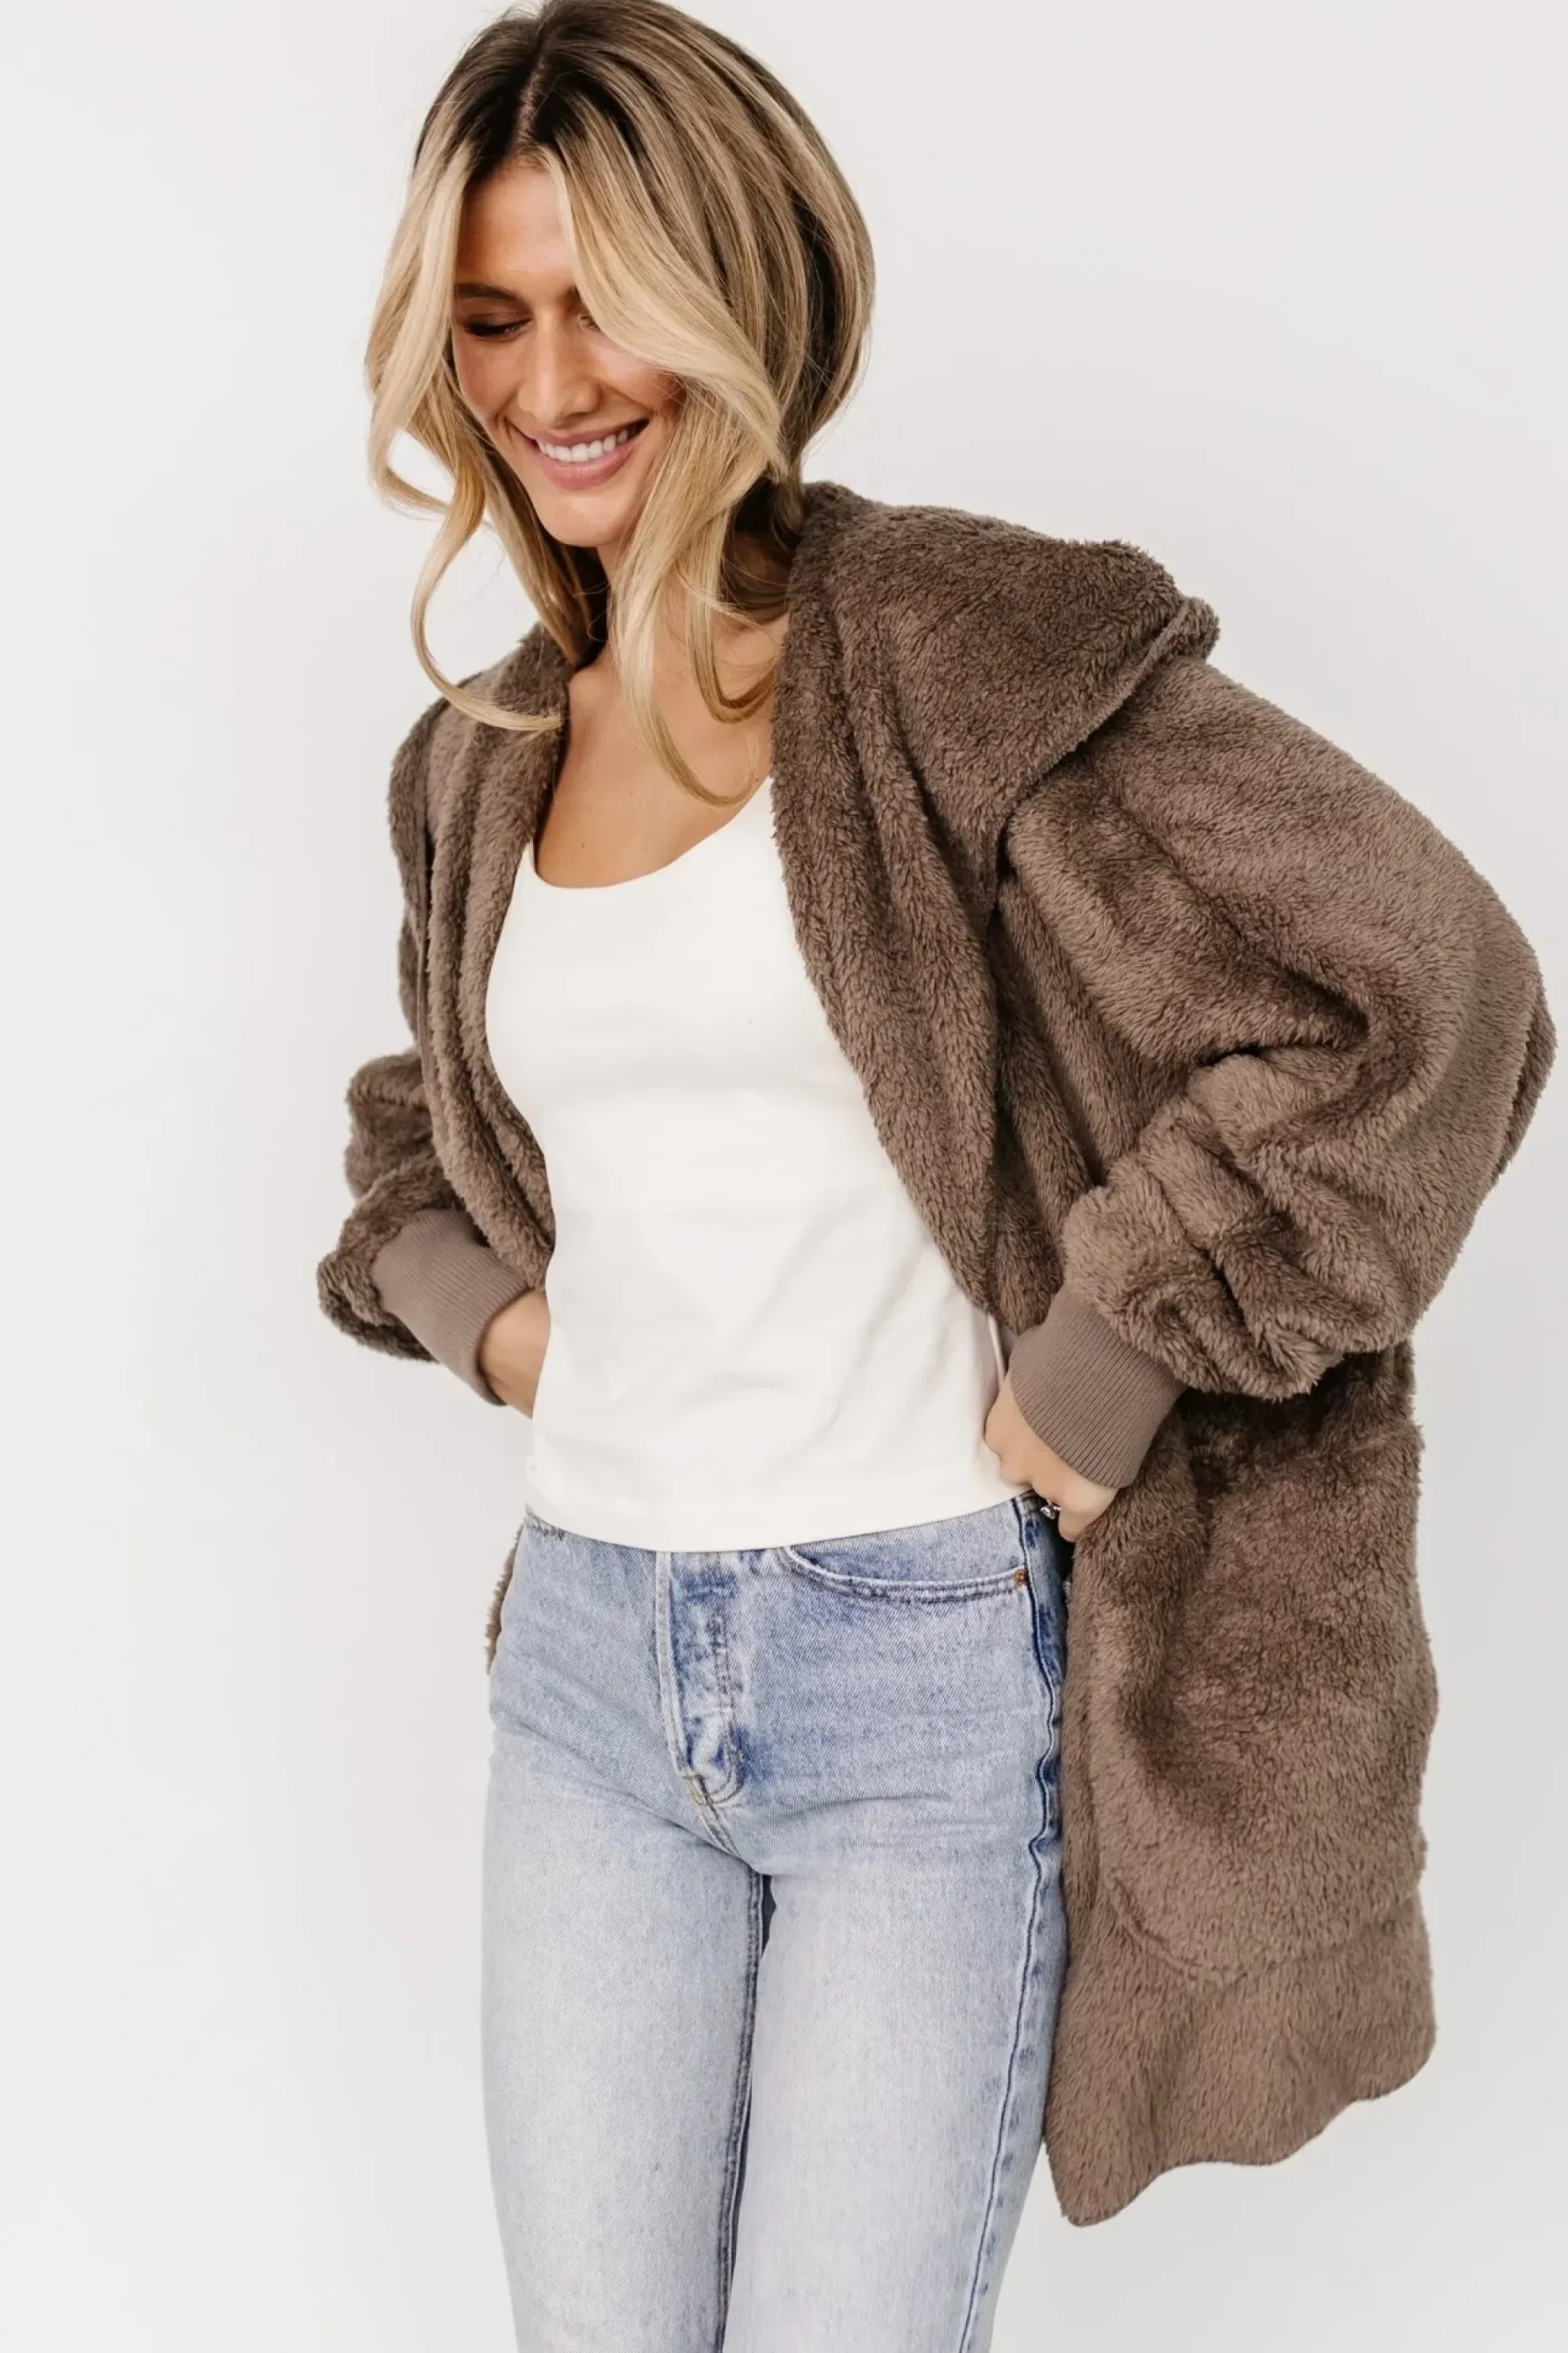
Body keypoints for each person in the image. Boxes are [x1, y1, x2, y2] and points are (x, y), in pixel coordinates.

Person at [315, 2, 1555, 2343]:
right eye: (487, 318)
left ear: (737, 292)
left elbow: (1427, 985)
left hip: (910, 1657)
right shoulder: (478, 754)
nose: (547, 381)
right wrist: (499, 1320)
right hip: (585, 1670)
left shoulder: (948, 649)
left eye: (604, 303)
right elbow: (426, 1116)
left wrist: (1100, 1368)